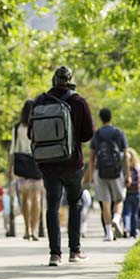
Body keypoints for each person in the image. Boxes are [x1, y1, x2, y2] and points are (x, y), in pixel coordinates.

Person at [28, 66, 95, 266]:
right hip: (72, 162)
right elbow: (88, 133)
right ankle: (75, 251)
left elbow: (31, 133)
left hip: (47, 163)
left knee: (52, 206)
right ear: (70, 80)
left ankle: (54, 254)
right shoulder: (78, 101)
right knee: (75, 203)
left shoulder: (40, 101)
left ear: (53, 80)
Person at [87, 107, 130, 242]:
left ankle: (108, 233)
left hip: (100, 172)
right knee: (119, 200)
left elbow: (92, 157)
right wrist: (127, 174)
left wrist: (90, 176)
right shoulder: (118, 133)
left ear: (101, 118)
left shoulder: (97, 134)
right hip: (117, 172)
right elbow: (126, 156)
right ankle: (116, 219)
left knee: (105, 203)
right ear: (111, 117)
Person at [10, 99, 42, 241]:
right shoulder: (39, 126)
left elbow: (12, 150)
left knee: (25, 198)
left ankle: (27, 228)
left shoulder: (17, 128)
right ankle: (35, 230)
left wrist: (10, 169)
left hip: (22, 166)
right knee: (37, 197)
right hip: (36, 164)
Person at [122, 148, 140, 238]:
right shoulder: (138, 166)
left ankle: (126, 227)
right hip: (137, 193)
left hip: (126, 193)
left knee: (126, 212)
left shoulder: (123, 168)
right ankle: (134, 232)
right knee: (135, 213)